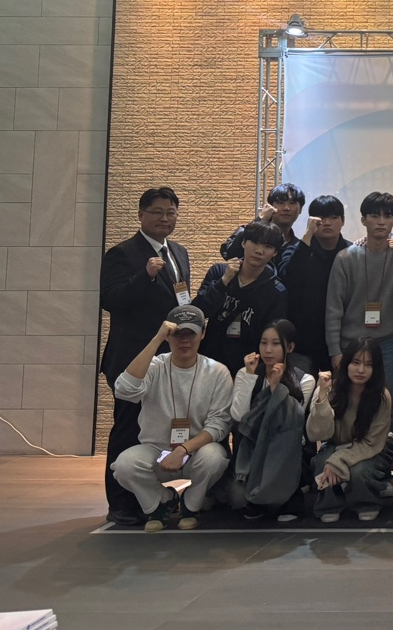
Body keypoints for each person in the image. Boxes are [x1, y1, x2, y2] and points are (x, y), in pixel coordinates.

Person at [99, 186, 192, 525]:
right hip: (132, 359)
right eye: (157, 212)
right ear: (141, 215)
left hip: (168, 361)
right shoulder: (122, 254)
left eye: (171, 212)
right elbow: (111, 299)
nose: (165, 218)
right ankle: (121, 504)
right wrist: (145, 276)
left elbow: (181, 301)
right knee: (128, 429)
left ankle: (151, 497)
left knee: (155, 430)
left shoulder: (179, 252)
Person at [110, 305, 232, 532]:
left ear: (202, 334)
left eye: (191, 333)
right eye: (177, 334)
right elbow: (124, 390)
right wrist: (156, 340)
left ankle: (191, 505)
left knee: (214, 458)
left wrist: (183, 450)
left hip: (195, 453)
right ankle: (163, 501)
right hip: (157, 452)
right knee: (124, 466)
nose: (184, 340)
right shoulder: (155, 366)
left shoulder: (217, 371)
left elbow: (219, 425)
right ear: (168, 336)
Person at [324, 191, 393, 384]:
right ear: (363, 220)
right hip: (350, 342)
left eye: (387, 216)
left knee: (384, 398)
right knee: (348, 398)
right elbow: (333, 309)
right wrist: (335, 351)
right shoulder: (346, 257)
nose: (381, 222)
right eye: (374, 216)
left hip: (385, 342)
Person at [229, 318, 315, 520]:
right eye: (263, 343)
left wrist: (277, 388)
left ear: (290, 347)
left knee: (285, 436)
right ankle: (255, 494)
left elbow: (291, 420)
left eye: (276, 344)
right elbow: (239, 416)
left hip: (284, 444)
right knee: (237, 498)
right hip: (253, 443)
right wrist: (249, 377)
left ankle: (289, 497)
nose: (268, 350)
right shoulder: (246, 372)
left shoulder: (304, 379)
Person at [306, 337, 393, 523]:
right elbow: (317, 435)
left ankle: (367, 502)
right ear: (346, 363)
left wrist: (338, 459)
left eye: (368, 365)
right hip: (334, 445)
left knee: (359, 470)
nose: (361, 370)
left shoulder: (382, 397)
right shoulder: (330, 389)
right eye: (355, 363)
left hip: (373, 449)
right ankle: (330, 504)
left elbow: (372, 443)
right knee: (322, 462)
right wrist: (322, 399)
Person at [194, 220, 289, 376]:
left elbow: (272, 336)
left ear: (275, 253)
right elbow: (199, 311)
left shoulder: (276, 291)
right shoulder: (219, 272)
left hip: (249, 365)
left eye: (267, 246)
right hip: (210, 359)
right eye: (254, 242)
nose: (259, 251)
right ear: (244, 243)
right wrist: (223, 282)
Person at [277, 194, 350, 375]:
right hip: (303, 340)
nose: (327, 223)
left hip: (340, 338)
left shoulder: (351, 253)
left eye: (334, 217)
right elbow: (287, 277)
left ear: (342, 221)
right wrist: (307, 236)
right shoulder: (297, 249)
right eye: (321, 218)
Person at [220, 183, 304, 262]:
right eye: (280, 202)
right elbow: (228, 253)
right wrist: (259, 220)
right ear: (270, 206)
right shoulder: (247, 231)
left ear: (300, 209)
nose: (286, 208)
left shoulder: (298, 246)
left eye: (292, 203)